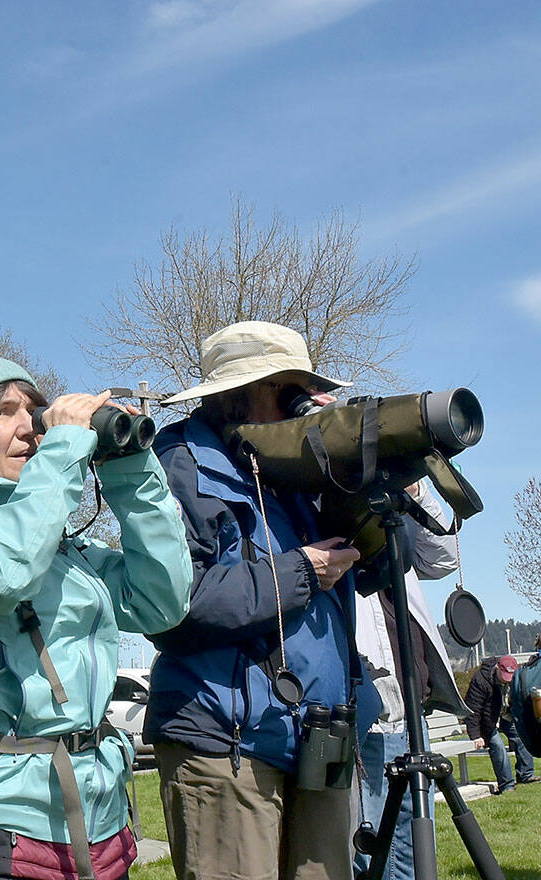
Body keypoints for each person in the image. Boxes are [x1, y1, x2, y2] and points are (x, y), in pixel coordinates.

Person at [0, 355, 193, 880]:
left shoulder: (60, 544)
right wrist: (63, 453)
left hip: (97, 826)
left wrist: (130, 470)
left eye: (34, 409)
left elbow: (161, 601)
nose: (29, 426)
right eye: (2, 412)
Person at [146, 321, 381, 880]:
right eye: (285, 389)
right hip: (224, 743)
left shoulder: (290, 471)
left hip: (320, 738)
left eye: (305, 389)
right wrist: (299, 571)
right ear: (235, 393)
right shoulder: (181, 461)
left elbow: (369, 571)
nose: (298, 405)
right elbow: (174, 606)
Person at [352, 479, 469, 880]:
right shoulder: (323, 499)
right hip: (367, 712)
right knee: (368, 853)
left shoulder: (392, 501)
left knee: (416, 850)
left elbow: (443, 558)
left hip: (410, 705)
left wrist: (417, 491)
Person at [464, 655, 536, 792]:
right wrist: (475, 735)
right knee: (498, 746)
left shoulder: (517, 678)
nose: (507, 680)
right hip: (487, 721)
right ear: (497, 668)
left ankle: (526, 774)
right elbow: (472, 709)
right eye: (504, 676)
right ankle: (507, 784)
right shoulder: (480, 680)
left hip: (505, 715)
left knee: (522, 736)